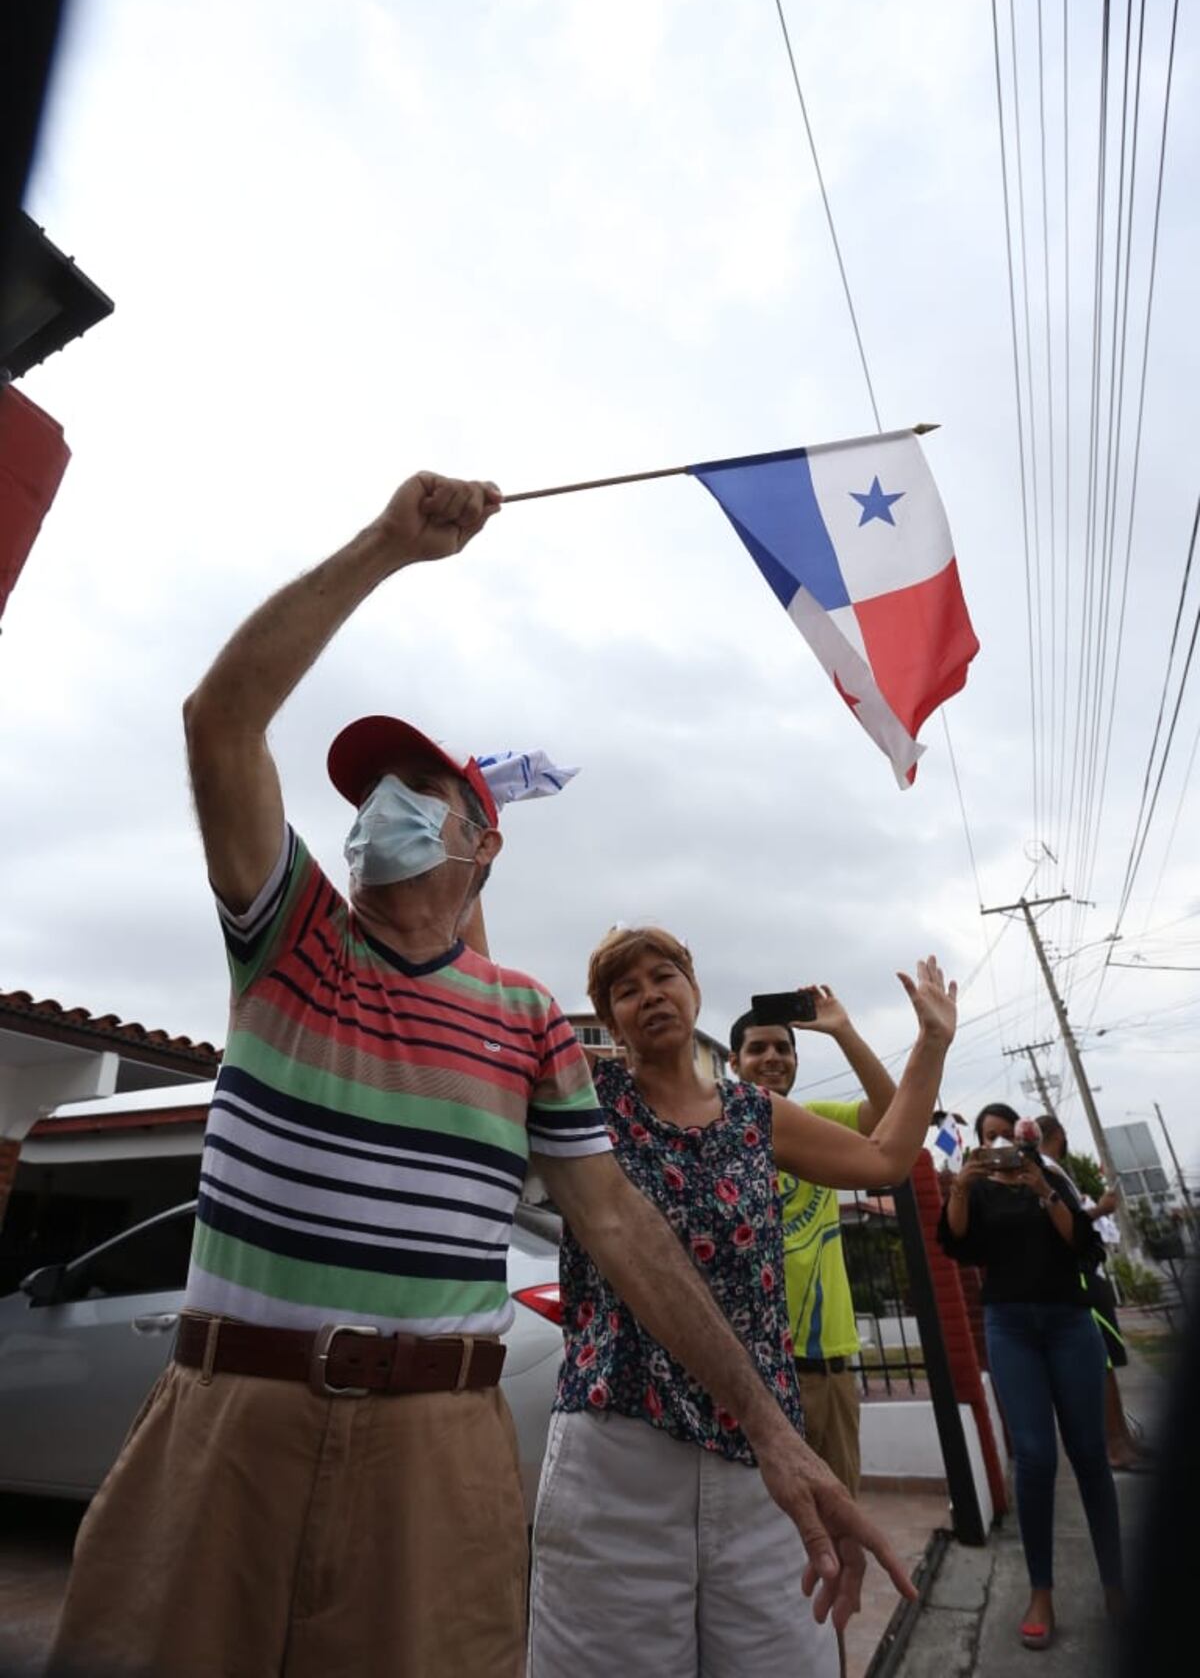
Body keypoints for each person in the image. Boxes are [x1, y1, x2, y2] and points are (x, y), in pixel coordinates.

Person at [47, 472, 920, 1678]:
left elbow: (618, 1225)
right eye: (369, 798)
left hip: (438, 1441)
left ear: (480, 841)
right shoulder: (292, 939)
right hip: (227, 1423)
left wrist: (773, 1432)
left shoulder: (523, 1020)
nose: (381, 813)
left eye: (418, 796)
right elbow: (220, 718)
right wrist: (387, 546)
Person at [528, 927, 957, 1677]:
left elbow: (886, 1159)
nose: (649, 996)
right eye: (626, 991)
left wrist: (931, 1043)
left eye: (664, 977)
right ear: (608, 1017)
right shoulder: (586, 1101)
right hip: (618, 1445)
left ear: (695, 992)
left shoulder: (755, 1114)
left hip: (763, 1455)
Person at [939, 1101, 1124, 1651]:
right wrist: (962, 1185)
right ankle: (1041, 1589)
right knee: (1036, 1457)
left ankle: (1115, 1584)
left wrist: (1041, 1187)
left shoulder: (1050, 1178)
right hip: (1010, 1325)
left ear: (1025, 1139)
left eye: (1007, 1138)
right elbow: (957, 1243)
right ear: (977, 1145)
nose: (999, 1148)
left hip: (1069, 1321)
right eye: (987, 1139)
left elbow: (1083, 1246)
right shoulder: (979, 1191)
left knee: (1090, 1454)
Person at [728, 986, 897, 1494]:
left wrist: (843, 1031)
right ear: (734, 1062)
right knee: (760, 1541)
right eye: (758, 1049)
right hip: (747, 1370)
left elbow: (893, 1114)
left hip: (825, 1371)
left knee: (840, 1530)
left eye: (783, 1047)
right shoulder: (714, 1134)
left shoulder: (818, 1122)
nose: (772, 1057)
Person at [1035, 1115, 1145, 1471]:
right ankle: (1115, 1443)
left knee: (1108, 1359)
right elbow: (1067, 1220)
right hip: (1079, 1276)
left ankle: (1123, 1438)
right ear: (1059, 1135)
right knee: (1102, 1361)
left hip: (1088, 1270)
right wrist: (1102, 1208)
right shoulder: (1045, 1171)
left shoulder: (1053, 1171)